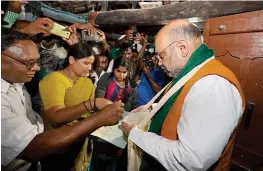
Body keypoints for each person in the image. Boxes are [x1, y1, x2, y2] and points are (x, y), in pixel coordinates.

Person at [120, 19, 245, 171]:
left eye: (161, 55)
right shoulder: (195, 73)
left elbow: (189, 161)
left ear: (182, 48)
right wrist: (152, 109)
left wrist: (135, 135)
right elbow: (184, 104)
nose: (159, 63)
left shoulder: (212, 85)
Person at [1, 28, 124, 171]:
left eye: (37, 61)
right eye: (28, 62)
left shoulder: (17, 82)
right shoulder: (53, 80)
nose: (37, 67)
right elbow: (32, 146)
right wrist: (96, 115)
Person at [38, 29, 113, 170]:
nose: (90, 68)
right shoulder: (54, 80)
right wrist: (92, 103)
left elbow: (87, 115)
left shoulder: (87, 83)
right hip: (56, 144)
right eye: (86, 63)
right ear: (72, 60)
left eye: (91, 64)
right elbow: (55, 117)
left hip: (79, 140)